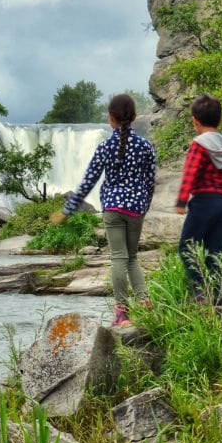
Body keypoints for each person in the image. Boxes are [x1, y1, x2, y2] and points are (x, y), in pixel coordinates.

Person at [62, 93, 157, 327]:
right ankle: (145, 304)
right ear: (134, 117)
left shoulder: (105, 146)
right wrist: (143, 206)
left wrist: (69, 208)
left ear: (110, 118)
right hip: (136, 209)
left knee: (118, 258)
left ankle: (122, 313)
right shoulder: (146, 146)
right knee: (132, 257)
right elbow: (150, 181)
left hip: (112, 208)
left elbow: (89, 181)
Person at [175, 93, 222, 306]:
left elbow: (190, 172)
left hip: (203, 202)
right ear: (220, 120)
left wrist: (181, 201)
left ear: (195, 120)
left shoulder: (199, 145)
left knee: (186, 247)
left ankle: (199, 290)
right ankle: (219, 296)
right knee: (215, 251)